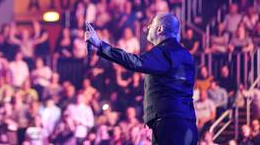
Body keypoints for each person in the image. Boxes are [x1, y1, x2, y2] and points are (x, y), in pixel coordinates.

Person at [85, 13, 198, 144]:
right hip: (188, 122)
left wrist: (100, 45)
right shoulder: (186, 55)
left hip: (169, 124)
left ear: (160, 29)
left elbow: (135, 62)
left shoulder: (164, 51)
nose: (148, 28)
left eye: (152, 25)